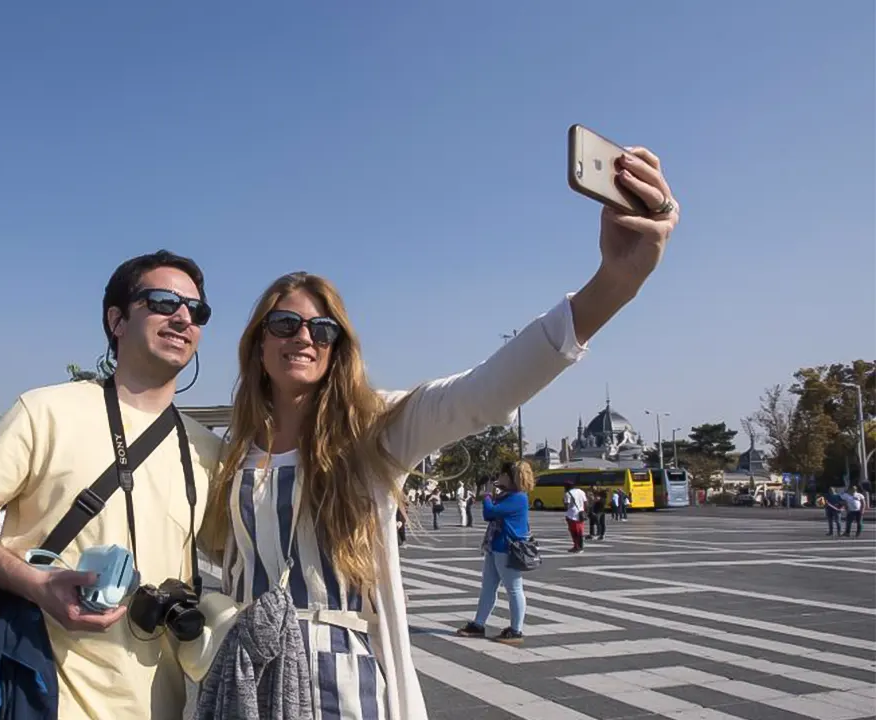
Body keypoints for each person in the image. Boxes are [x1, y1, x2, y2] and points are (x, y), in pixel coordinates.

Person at [198, 144, 678, 718]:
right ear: (257, 341)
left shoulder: (373, 428)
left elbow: (485, 391)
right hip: (245, 677)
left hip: (341, 681)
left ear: (336, 347)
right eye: (284, 323)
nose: (304, 337)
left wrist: (614, 283)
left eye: (321, 329)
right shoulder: (230, 454)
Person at [0, 250, 224, 719]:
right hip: (42, 689)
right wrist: (34, 583)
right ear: (117, 320)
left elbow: (242, 554)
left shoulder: (207, 449)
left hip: (158, 701)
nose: (183, 317)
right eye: (164, 302)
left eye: (196, 310)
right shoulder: (44, 411)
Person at [457, 461, 535, 645]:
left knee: (514, 589)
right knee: (488, 588)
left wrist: (487, 496)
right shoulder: (508, 495)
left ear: (509, 477)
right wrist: (493, 493)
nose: (497, 477)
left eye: (501, 474)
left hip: (508, 548)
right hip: (495, 546)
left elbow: (489, 513)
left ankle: (516, 630)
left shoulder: (518, 497)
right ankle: (478, 624)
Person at [563, 479, 587, 553]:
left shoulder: (568, 494)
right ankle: (578, 547)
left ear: (567, 486)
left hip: (572, 515)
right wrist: (584, 511)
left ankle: (578, 547)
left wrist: (563, 501)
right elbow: (586, 502)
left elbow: (566, 506)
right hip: (581, 514)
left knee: (574, 532)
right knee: (580, 531)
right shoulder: (581, 491)